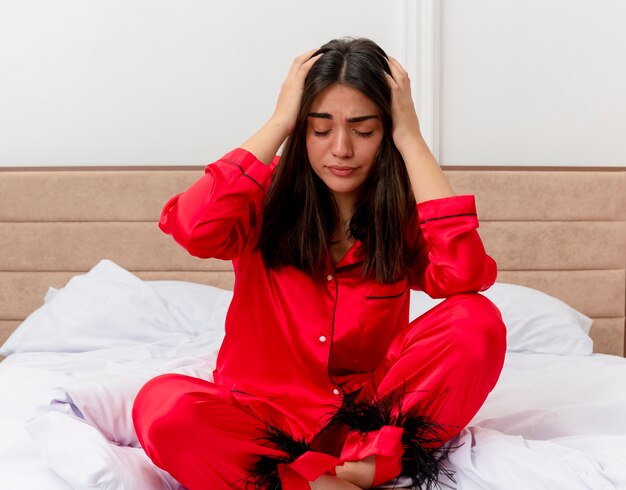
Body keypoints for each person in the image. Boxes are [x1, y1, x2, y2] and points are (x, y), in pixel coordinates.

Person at [132, 37, 506, 490]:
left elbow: (463, 275)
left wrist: (412, 138)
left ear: (385, 132)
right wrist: (278, 122)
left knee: (476, 321)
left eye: (364, 130)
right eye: (321, 128)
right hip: (262, 423)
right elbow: (193, 227)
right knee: (162, 405)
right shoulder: (259, 199)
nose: (341, 149)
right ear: (300, 129)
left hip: (366, 426)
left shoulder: (401, 215)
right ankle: (314, 482)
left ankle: (359, 468)